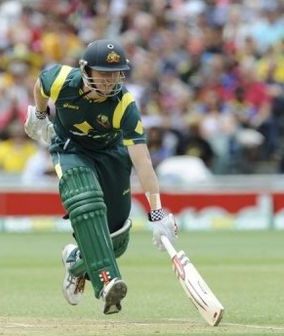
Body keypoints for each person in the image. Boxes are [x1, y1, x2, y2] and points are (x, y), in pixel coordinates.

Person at [24, 39, 178, 315]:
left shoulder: (124, 104)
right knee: (86, 199)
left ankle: (75, 261)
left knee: (116, 238)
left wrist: (157, 212)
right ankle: (107, 283)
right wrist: (40, 114)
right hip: (70, 149)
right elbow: (40, 85)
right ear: (86, 70)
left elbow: (142, 162)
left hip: (111, 154)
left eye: (116, 73)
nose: (110, 81)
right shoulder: (61, 79)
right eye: (103, 74)